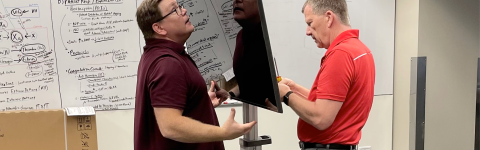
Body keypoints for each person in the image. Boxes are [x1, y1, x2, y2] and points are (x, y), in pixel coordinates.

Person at [134, 0, 257, 149]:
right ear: (159, 28)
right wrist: (224, 132)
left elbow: (168, 107)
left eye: (179, 6)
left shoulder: (155, 55)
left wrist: (200, 104)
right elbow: (170, 126)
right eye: (175, 10)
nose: (184, 10)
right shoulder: (168, 64)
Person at [275, 0, 376, 149]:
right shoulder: (359, 50)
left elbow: (321, 117)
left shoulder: (340, 54)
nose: (307, 31)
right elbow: (330, 102)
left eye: (310, 23)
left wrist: (287, 95)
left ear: (329, 18)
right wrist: (294, 88)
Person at [228, 0, 278, 110]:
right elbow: (248, 81)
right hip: (250, 117)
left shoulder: (274, 38)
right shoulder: (241, 36)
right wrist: (230, 95)